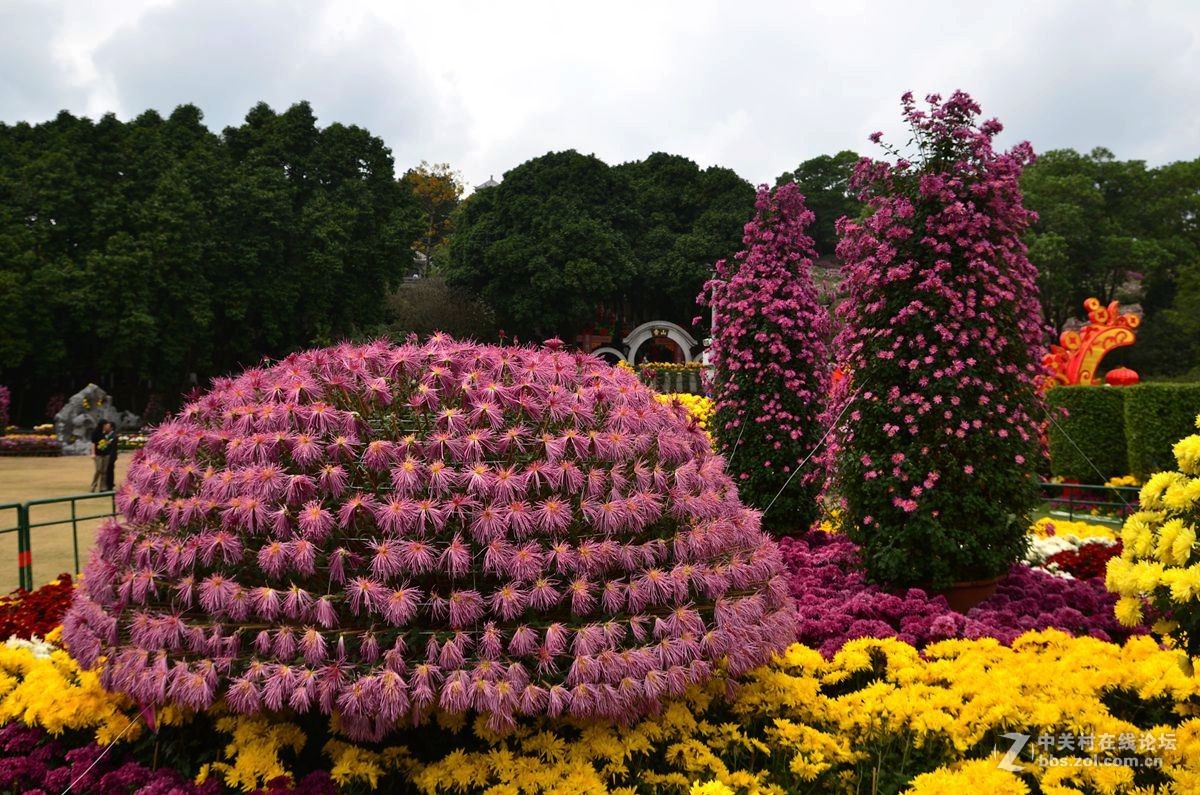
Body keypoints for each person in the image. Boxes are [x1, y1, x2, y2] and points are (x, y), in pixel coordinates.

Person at [90, 421, 119, 492]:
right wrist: (93, 453)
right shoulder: (96, 432)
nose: (107, 426)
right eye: (106, 425)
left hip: (106, 454)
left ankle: (102, 487)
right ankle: (93, 485)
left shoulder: (105, 433)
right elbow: (93, 443)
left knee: (104, 471)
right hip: (98, 454)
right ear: (103, 425)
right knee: (98, 470)